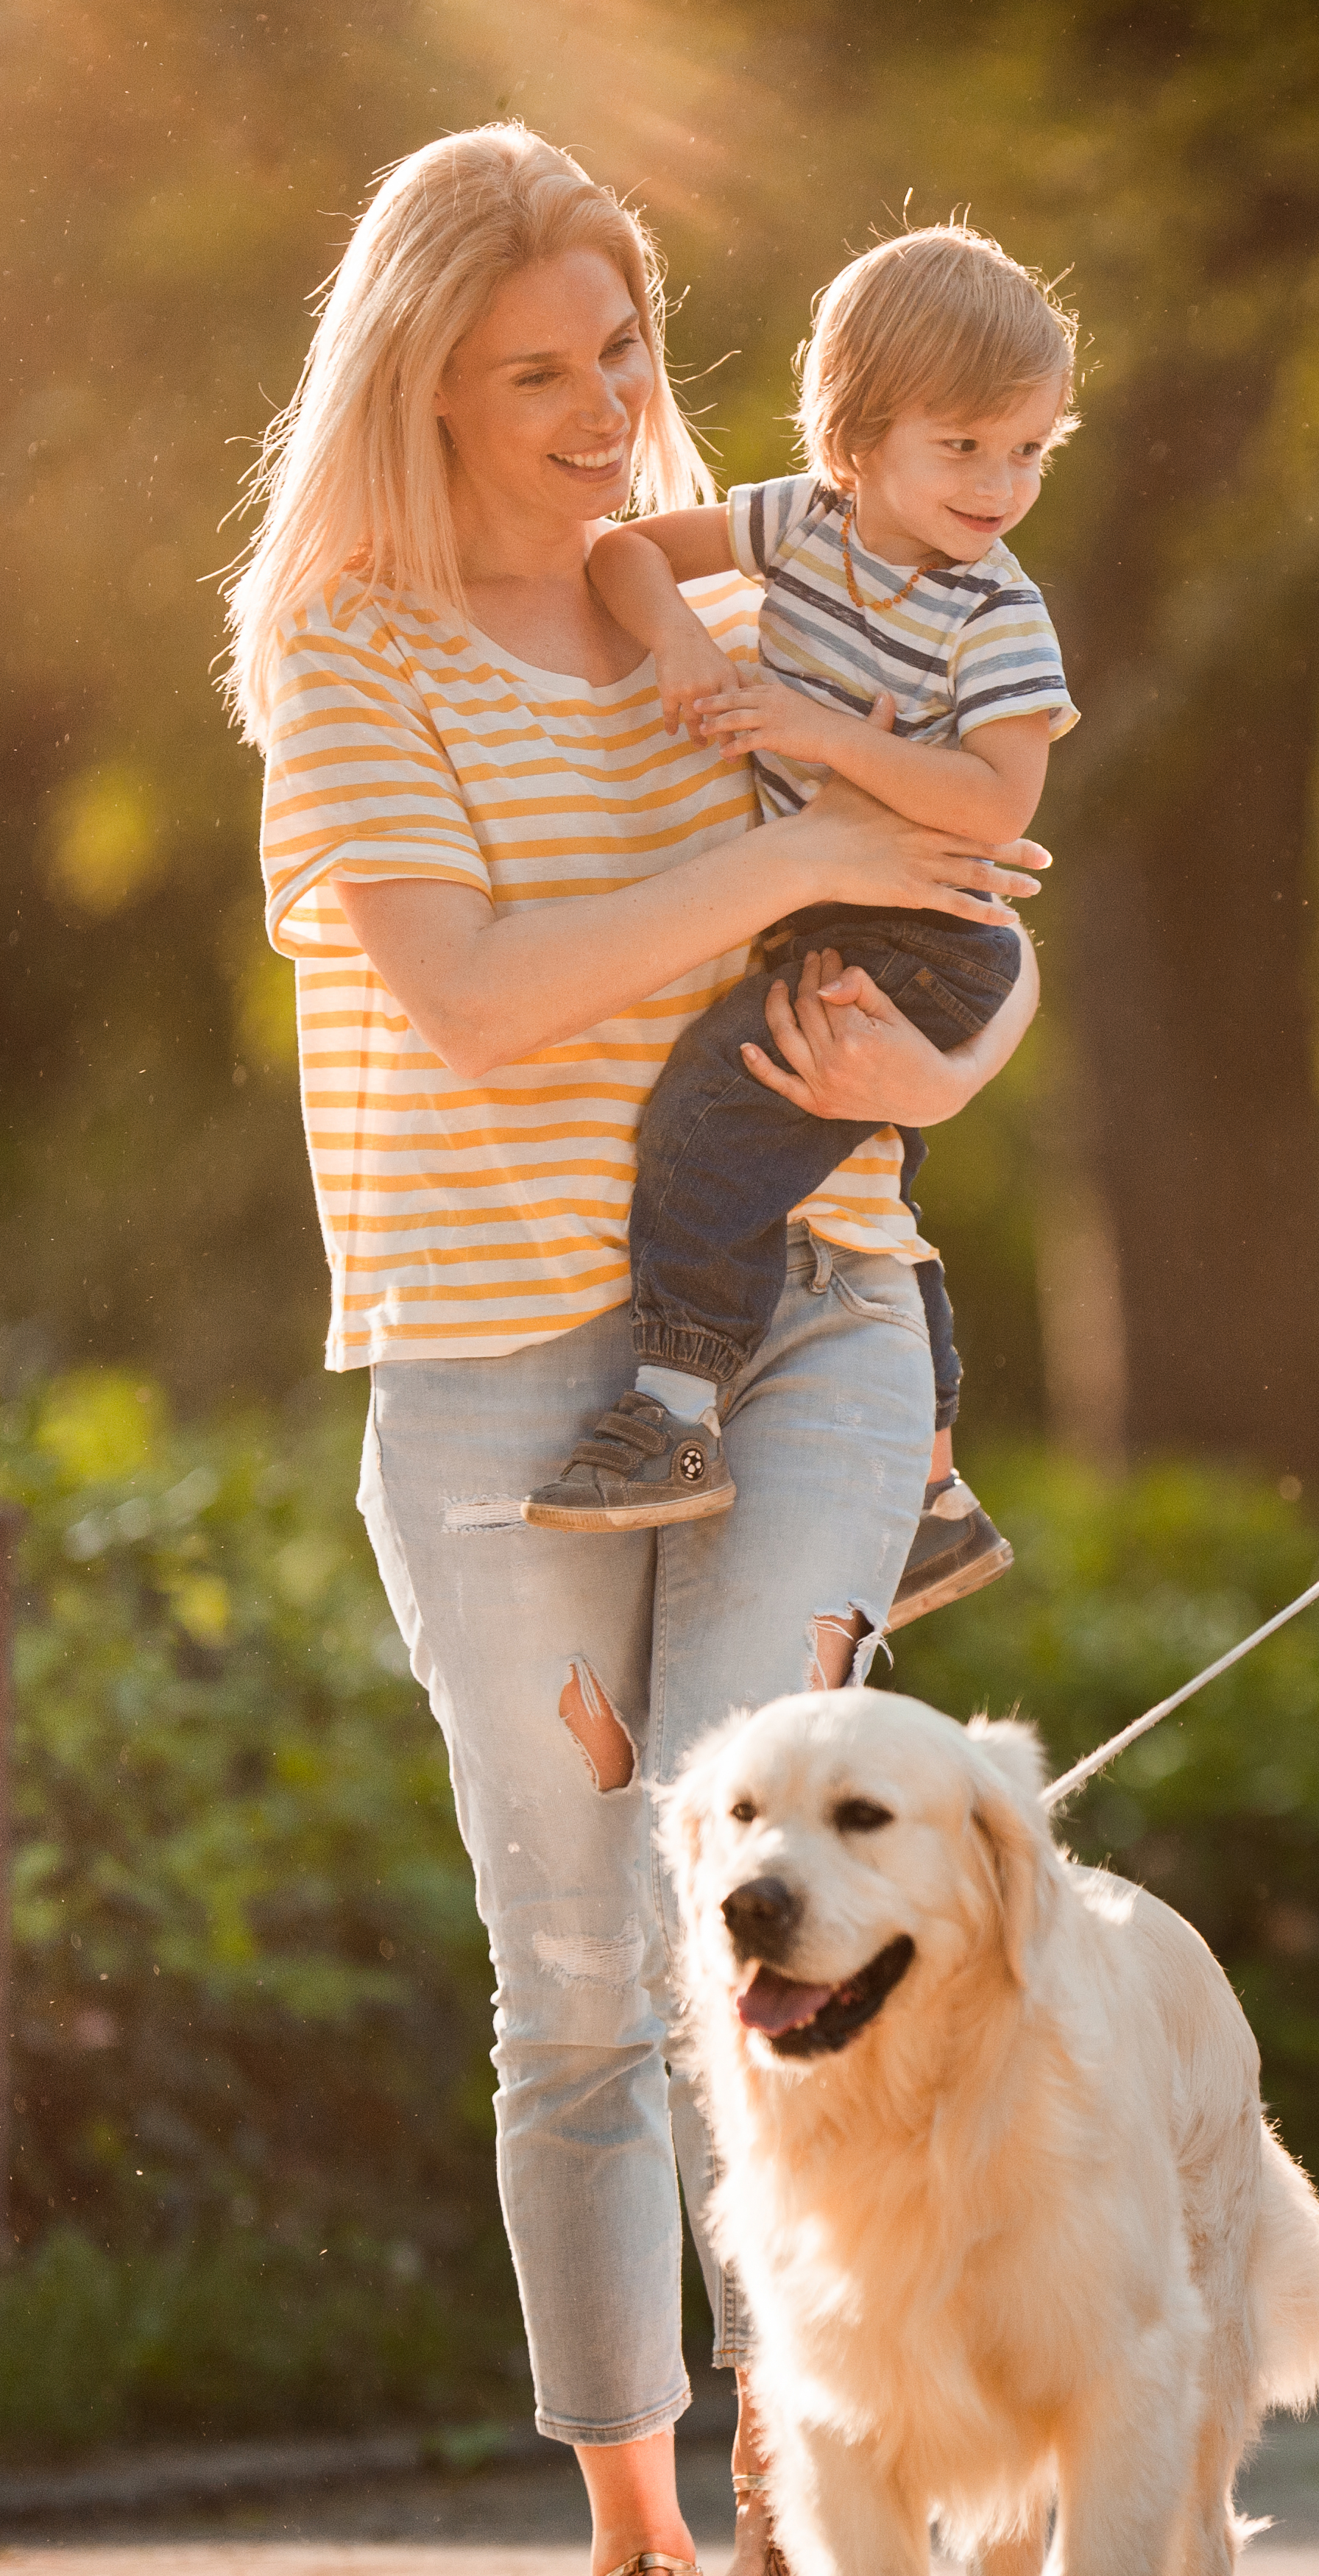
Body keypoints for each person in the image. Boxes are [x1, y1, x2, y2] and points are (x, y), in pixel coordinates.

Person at [224, 122, 1047, 2576]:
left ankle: (814, 2534)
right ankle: (634, 2541)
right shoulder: (343, 654)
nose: (602, 415)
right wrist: (786, 821)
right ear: (423, 382)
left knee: (770, 1904)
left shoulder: (753, 598)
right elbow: (475, 993)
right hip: (493, 1356)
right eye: (536, 373)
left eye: (622, 358)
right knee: (579, 1971)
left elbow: (964, 916)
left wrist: (940, 1018)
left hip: (813, 1305)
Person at [534, 223, 1078, 1632]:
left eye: (1028, 451)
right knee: (849, 1174)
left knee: (716, 1117)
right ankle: (932, 1498)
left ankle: (671, 1414)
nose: (1001, 486)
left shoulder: (999, 616)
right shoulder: (804, 527)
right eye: (964, 447)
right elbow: (625, 556)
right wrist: (690, 648)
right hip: (841, 904)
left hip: (927, 926)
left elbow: (995, 796)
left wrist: (814, 732)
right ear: (854, 437)